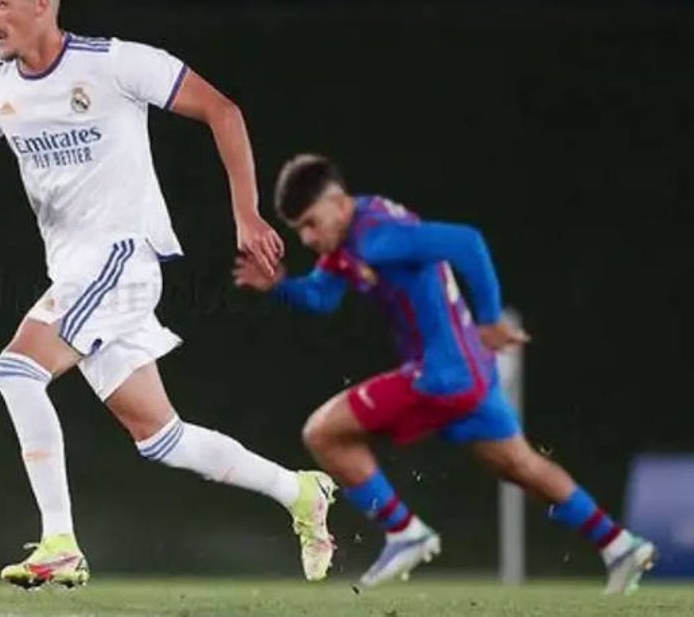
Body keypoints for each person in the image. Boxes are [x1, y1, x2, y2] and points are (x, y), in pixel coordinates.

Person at [0, 0, 335, 588]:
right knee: (161, 438)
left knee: (15, 370)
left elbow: (222, 110)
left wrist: (247, 214)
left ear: (42, 4)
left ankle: (59, 541)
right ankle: (299, 492)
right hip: (75, 273)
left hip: (122, 256)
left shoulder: (115, 63)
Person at [232, 153, 656, 593]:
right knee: (520, 464)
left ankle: (403, 531)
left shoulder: (377, 236)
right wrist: (281, 286)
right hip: (470, 371)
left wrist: (490, 318)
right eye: (299, 228)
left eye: (310, 223)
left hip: (441, 375)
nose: (306, 237)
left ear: (338, 203)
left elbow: (468, 242)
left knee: (323, 432)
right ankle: (619, 544)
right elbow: (321, 297)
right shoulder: (351, 237)